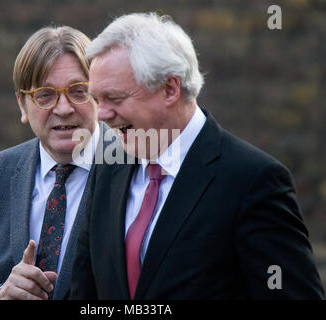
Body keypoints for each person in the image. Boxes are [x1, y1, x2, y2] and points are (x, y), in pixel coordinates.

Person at [70, 13, 325, 299]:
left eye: (114, 99)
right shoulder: (108, 167)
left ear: (169, 89)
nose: (101, 115)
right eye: (96, 100)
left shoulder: (253, 180)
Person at [0, 26, 109, 300]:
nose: (63, 108)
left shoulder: (135, 168)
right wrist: (0, 296)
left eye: (78, 91)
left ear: (98, 95)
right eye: (45, 95)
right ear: (22, 105)